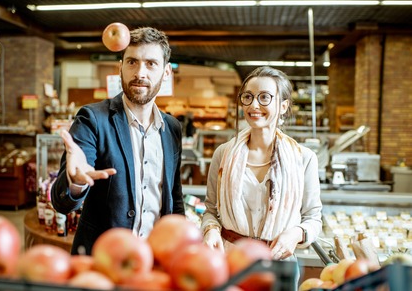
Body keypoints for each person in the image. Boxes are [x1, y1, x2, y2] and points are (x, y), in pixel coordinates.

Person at [51, 27, 185, 255]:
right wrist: (76, 181)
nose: (140, 73)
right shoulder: (92, 119)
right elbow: (63, 203)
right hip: (102, 260)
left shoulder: (171, 128)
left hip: (156, 258)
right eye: (132, 62)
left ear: (165, 73)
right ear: (120, 68)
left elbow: (174, 196)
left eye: (151, 63)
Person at [201, 66, 322, 276]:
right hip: (230, 261)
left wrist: (295, 234)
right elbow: (211, 210)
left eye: (265, 97)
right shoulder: (223, 154)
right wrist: (211, 230)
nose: (254, 105)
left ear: (283, 106)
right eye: (248, 97)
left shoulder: (303, 158)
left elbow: (313, 217)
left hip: (278, 266)